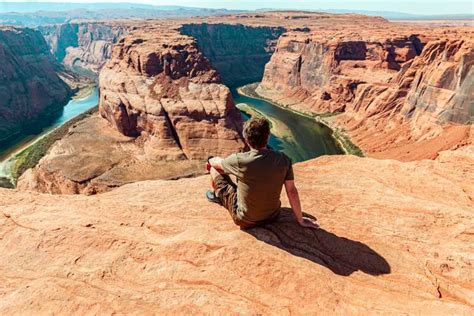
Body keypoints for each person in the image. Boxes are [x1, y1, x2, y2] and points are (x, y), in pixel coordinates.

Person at [206, 117, 318, 229]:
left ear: (246, 139)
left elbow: (217, 163)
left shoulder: (240, 160)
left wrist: (210, 160)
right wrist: (300, 220)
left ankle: (216, 196)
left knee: (214, 169)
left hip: (245, 220)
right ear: (268, 137)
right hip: (273, 216)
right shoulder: (283, 160)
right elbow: (292, 191)